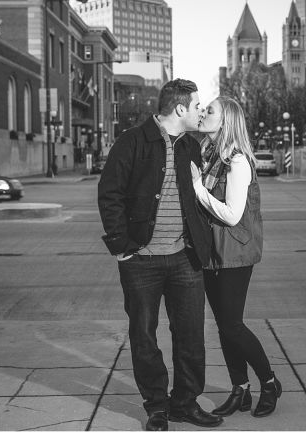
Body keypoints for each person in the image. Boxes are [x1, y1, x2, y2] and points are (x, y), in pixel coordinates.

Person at [98, 79, 223, 431]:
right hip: (142, 261)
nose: (200, 111)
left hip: (185, 259)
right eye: (197, 105)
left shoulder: (191, 147)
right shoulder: (132, 142)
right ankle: (157, 406)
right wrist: (122, 247)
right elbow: (110, 195)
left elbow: (195, 199)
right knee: (145, 336)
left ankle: (185, 402)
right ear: (181, 109)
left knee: (191, 335)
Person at [190, 96, 282, 418]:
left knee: (232, 325)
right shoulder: (211, 154)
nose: (203, 113)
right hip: (214, 252)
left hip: (235, 254)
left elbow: (231, 215)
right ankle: (240, 389)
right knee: (224, 325)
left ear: (225, 121)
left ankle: (269, 381)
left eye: (209, 110)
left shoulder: (238, 161)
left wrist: (198, 188)